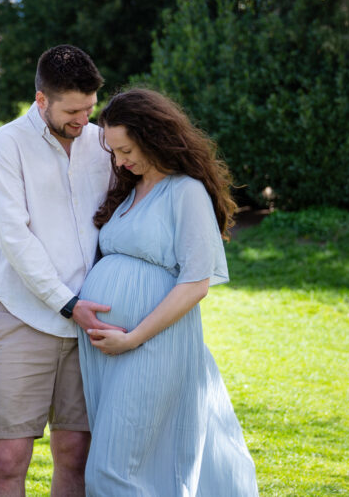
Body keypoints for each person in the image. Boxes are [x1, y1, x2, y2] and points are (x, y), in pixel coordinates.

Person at [78, 88, 258, 496]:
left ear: (153, 136)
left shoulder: (186, 191)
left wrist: (132, 337)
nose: (120, 161)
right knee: (144, 465)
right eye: (114, 152)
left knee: (112, 470)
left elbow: (196, 284)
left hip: (152, 344)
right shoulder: (128, 189)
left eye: (126, 150)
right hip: (110, 351)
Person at [0, 45, 116, 496]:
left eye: (90, 108)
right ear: (41, 100)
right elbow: (16, 240)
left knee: (77, 455)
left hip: (85, 327)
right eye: (72, 110)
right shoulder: (4, 147)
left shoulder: (100, 143)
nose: (83, 120)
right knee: (9, 463)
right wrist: (67, 303)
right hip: (20, 317)